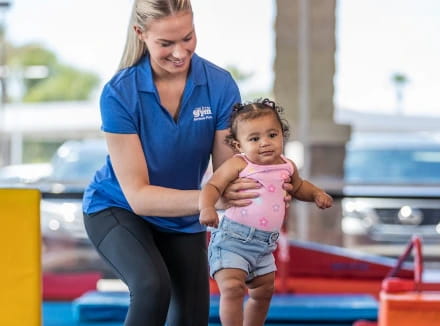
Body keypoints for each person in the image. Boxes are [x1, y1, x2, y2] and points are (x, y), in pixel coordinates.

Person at [81, 1, 275, 325]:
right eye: (166, 43)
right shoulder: (119, 93)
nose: (180, 52)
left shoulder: (220, 85)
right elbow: (139, 197)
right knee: (152, 287)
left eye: (187, 37)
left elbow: (229, 170)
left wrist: (271, 185)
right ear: (140, 34)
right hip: (118, 208)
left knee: (191, 317)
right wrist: (211, 198)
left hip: (184, 216)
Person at [198, 98, 333, 326]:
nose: (265, 143)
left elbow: (299, 187)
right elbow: (212, 186)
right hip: (233, 239)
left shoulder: (287, 165)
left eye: (273, 135)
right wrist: (207, 208)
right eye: (254, 138)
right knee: (232, 287)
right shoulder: (239, 164)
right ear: (239, 146)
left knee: (264, 292)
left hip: (265, 245)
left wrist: (317, 194)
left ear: (282, 135)